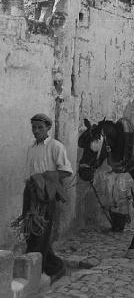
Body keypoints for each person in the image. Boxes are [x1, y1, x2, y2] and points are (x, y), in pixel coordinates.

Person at [21, 113, 73, 282]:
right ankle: (56, 266)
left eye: (40, 127)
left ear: (48, 128)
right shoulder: (32, 148)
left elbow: (66, 171)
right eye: (34, 127)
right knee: (30, 231)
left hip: (45, 196)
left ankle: (36, 273)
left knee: (41, 233)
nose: (36, 131)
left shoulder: (55, 146)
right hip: (30, 193)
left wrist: (44, 178)